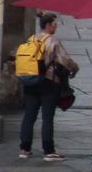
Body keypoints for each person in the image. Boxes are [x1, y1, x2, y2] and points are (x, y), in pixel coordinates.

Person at [17, 11, 78, 161]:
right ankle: (48, 151)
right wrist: (75, 69)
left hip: (30, 82)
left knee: (29, 116)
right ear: (49, 25)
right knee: (47, 118)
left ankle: (24, 149)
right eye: (55, 24)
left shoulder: (32, 38)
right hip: (48, 83)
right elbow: (65, 60)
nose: (56, 26)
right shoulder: (52, 41)